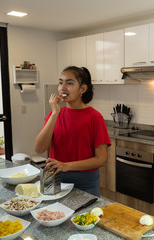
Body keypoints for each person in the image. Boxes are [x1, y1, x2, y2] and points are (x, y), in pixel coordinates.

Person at [34, 66, 111, 197]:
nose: (62, 87)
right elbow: (39, 148)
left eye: (69, 83)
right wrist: (54, 114)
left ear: (83, 89)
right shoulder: (55, 114)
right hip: (56, 181)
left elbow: (102, 159)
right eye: (60, 82)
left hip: (86, 184)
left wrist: (66, 166)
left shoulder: (94, 117)